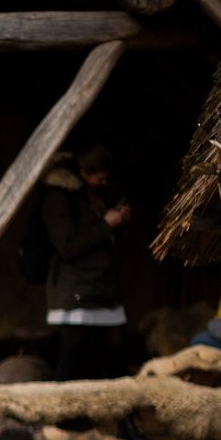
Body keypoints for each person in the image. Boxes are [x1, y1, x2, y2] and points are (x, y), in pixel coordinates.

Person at [42, 144, 133, 383]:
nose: (103, 184)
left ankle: (124, 416)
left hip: (102, 287)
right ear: (83, 171)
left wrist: (118, 223)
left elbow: (100, 243)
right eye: (99, 178)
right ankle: (63, 416)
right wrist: (106, 225)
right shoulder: (58, 197)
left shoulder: (91, 196)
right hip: (76, 290)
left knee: (115, 352)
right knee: (73, 354)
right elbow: (68, 248)